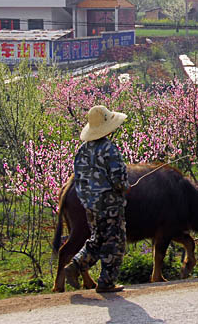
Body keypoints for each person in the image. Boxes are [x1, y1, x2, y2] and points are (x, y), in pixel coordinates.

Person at [63, 105, 129, 293]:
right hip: (109, 204)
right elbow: (118, 180)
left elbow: (79, 179)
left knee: (97, 239)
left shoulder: (82, 151)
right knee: (114, 241)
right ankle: (107, 281)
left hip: (90, 205)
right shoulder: (109, 149)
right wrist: (124, 188)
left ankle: (75, 267)